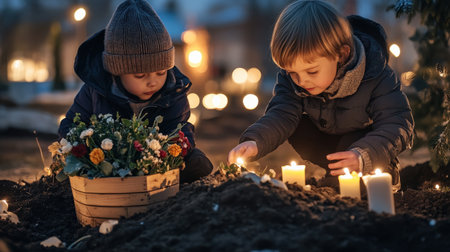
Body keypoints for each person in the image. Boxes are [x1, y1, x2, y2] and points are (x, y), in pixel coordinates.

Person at [228, 0, 414, 189]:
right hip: (329, 139)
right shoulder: (294, 80)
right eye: (293, 72)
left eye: (312, 71)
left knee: (356, 148)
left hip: (366, 143)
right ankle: (337, 171)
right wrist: (255, 141)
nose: (301, 81)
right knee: (296, 126)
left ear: (341, 55)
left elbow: (397, 123)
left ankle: (383, 171)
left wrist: (365, 155)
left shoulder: (376, 75)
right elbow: (280, 114)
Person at [59, 0, 213, 183]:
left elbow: (180, 127)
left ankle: (173, 183)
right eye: (140, 75)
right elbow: (71, 123)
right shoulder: (95, 92)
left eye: (161, 72)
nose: (153, 81)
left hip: (155, 157)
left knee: (197, 162)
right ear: (117, 71)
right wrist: (82, 145)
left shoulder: (173, 92)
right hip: (108, 158)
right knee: (74, 164)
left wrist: (178, 146)